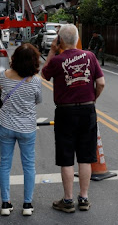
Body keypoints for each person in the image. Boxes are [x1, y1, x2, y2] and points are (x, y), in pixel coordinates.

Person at [41, 24, 104, 213]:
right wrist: (92, 98)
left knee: (66, 158)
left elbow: (43, 75)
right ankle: (83, 198)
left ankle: (67, 201)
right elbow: (100, 82)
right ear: (77, 39)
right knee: (85, 157)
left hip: (65, 112)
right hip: (87, 110)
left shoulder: (57, 60)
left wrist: (52, 51)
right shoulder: (90, 56)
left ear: (59, 41)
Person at [0, 44, 42, 217]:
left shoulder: (3, 76)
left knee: (5, 164)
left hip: (6, 126)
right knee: (29, 165)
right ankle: (27, 204)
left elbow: (3, 96)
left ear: (14, 58)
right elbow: (38, 100)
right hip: (27, 128)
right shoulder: (36, 80)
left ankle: (5, 203)